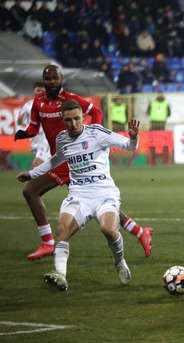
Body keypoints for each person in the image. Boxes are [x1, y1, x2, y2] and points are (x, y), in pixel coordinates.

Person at [14, 65, 152, 260]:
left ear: (60, 78)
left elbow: (96, 111)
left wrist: (92, 135)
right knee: (99, 202)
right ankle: (140, 232)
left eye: (55, 78)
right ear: (43, 81)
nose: (51, 82)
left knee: (30, 191)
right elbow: (34, 127)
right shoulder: (38, 102)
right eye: (48, 79)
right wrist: (25, 133)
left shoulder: (69, 99)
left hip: (68, 160)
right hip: (62, 156)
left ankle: (48, 242)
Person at [16, 100, 140, 291]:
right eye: (68, 120)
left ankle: (120, 263)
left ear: (83, 116)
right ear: (63, 120)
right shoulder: (62, 139)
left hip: (103, 192)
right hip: (79, 194)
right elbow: (55, 160)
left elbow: (129, 147)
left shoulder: (97, 133)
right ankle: (60, 274)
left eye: (76, 119)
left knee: (108, 229)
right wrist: (31, 174)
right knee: (62, 228)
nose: (73, 124)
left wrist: (133, 138)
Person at [17, 81, 49, 168]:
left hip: (46, 140)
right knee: (43, 167)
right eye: (37, 90)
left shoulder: (50, 104)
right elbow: (20, 122)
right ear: (33, 91)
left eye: (42, 90)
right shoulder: (27, 105)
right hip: (34, 139)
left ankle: (35, 181)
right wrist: (20, 119)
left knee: (37, 164)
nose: (40, 92)